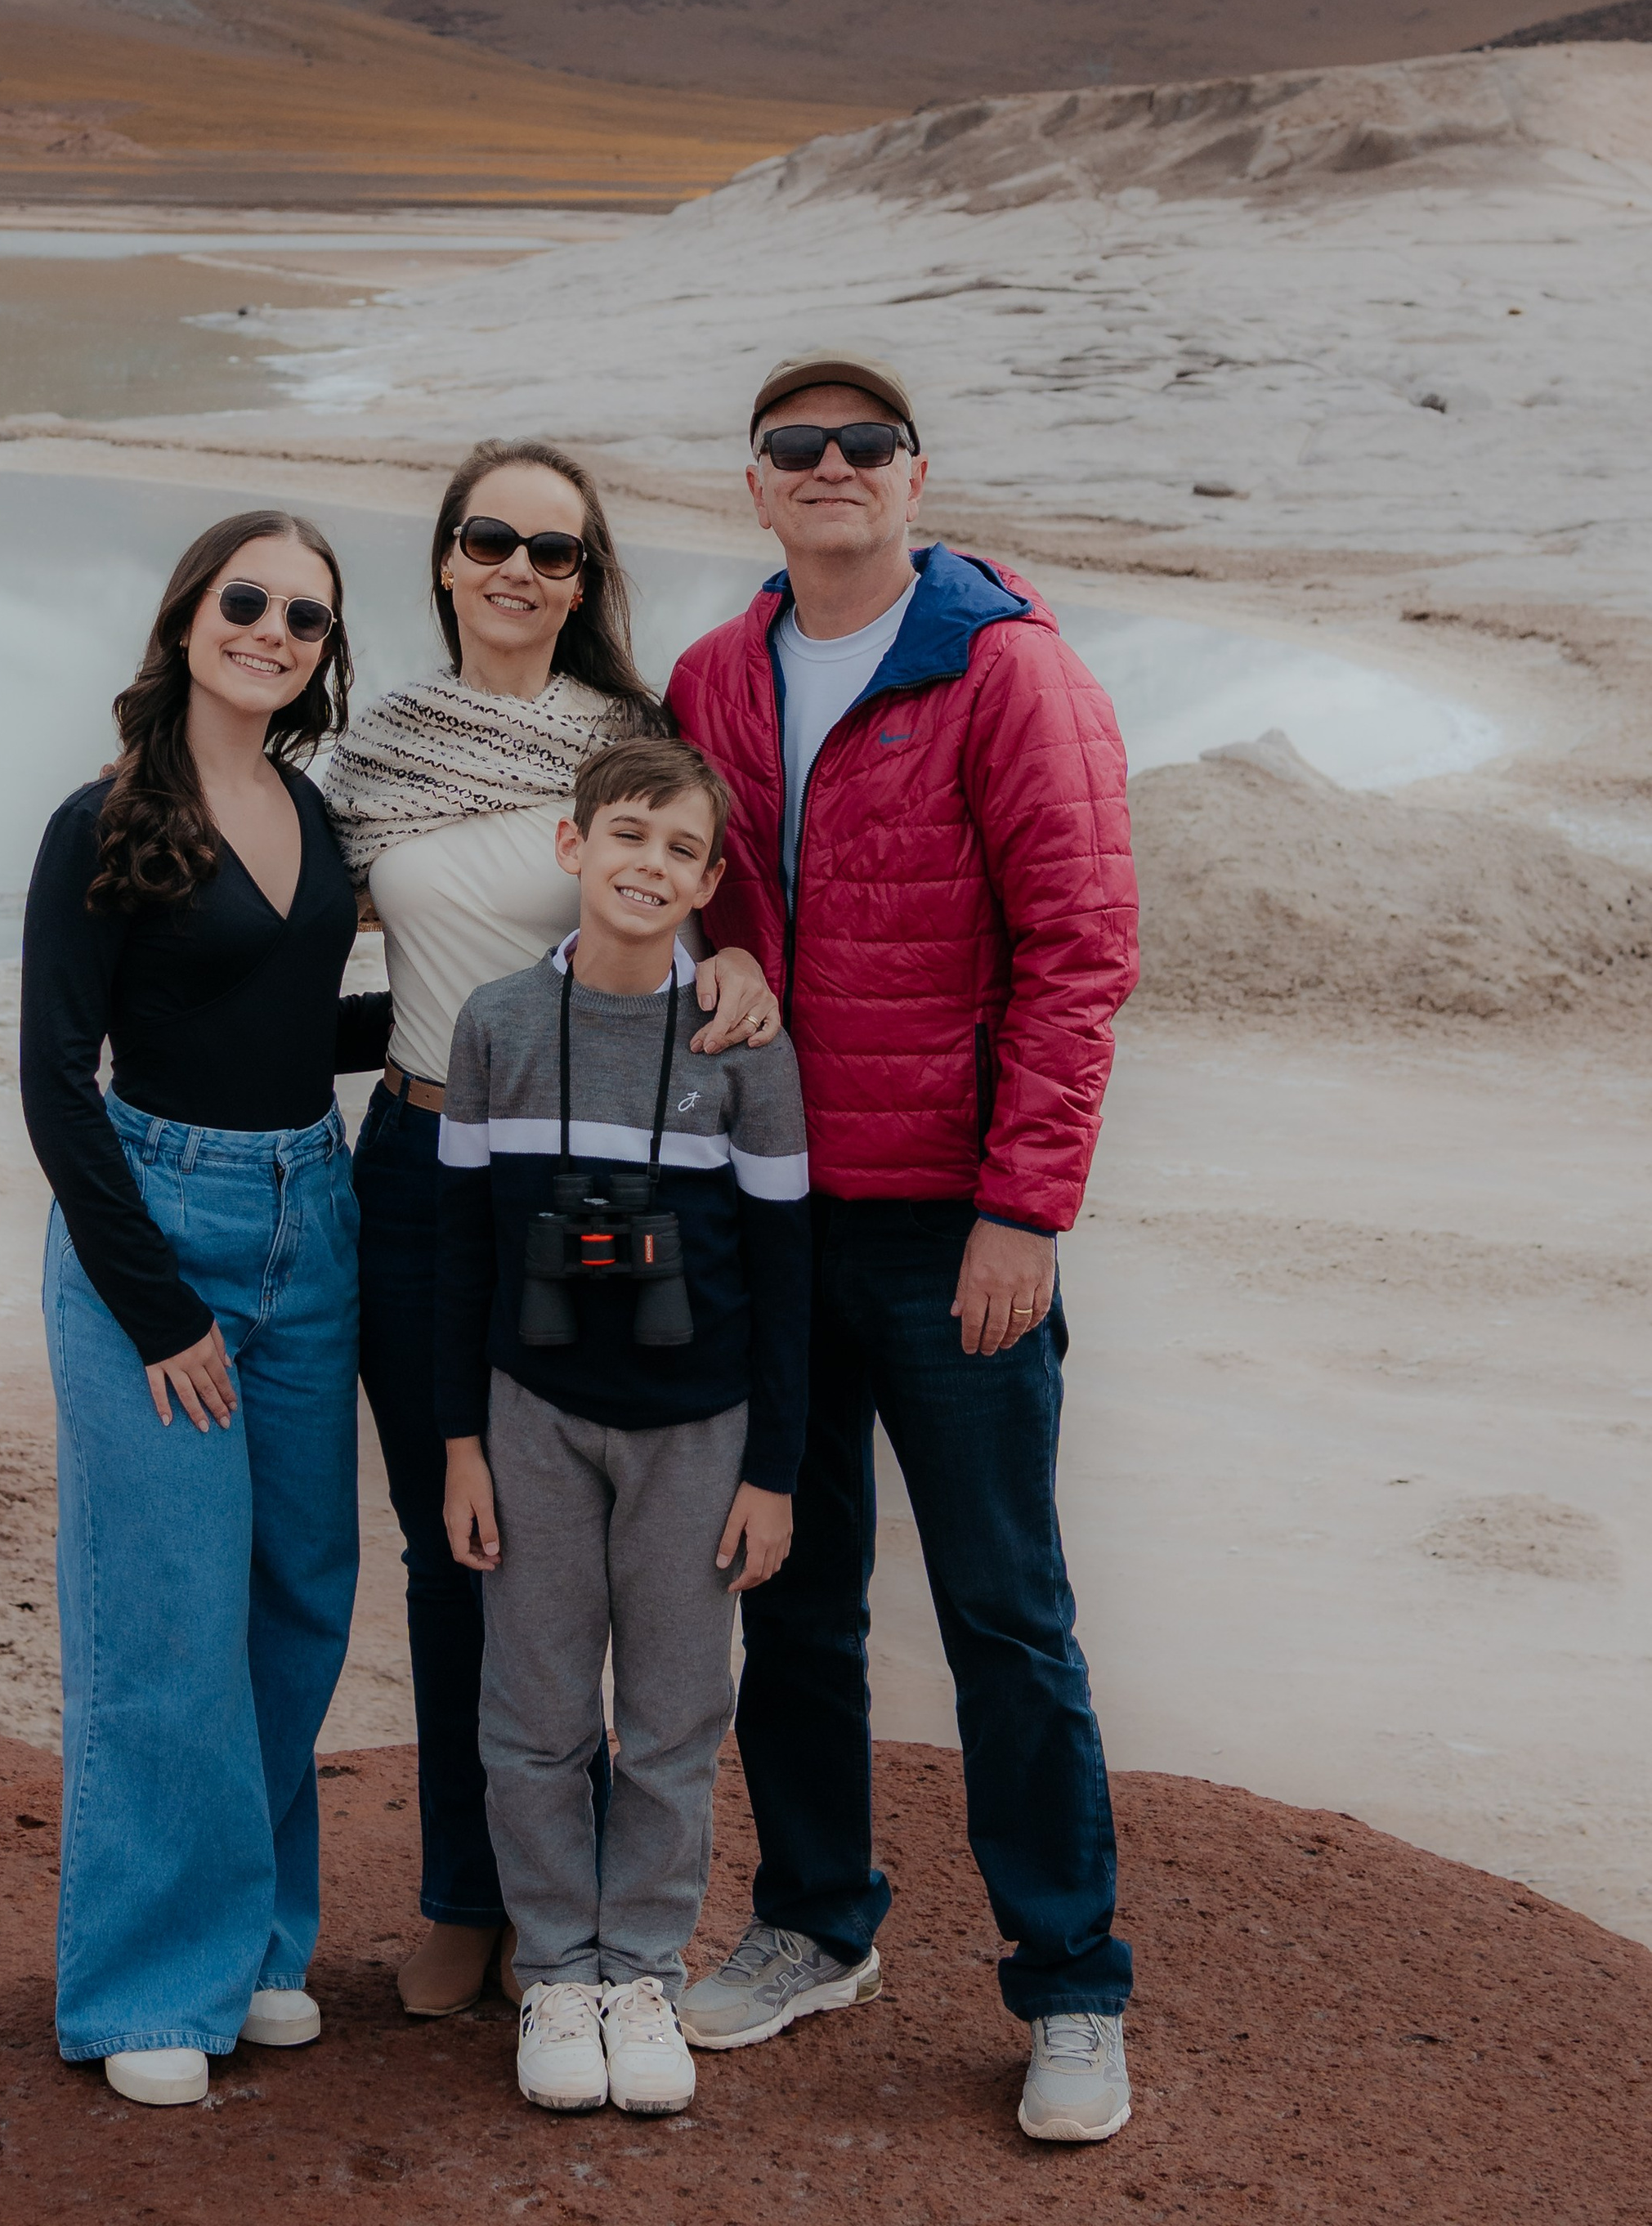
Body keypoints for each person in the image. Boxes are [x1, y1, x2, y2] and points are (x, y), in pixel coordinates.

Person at [665, 352, 1141, 2148]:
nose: (832, 467)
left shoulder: (1003, 670)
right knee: (789, 1592)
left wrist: (1023, 1205)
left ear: (916, 477)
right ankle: (812, 1920)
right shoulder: (715, 673)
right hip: (774, 1220)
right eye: (796, 447)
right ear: (757, 487)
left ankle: (1069, 1982)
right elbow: (686, 895)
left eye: (865, 444)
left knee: (1005, 1611)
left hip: (952, 1232)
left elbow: (1078, 949)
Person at [323, 439, 781, 2019]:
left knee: (639, 1567)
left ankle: (618, 1931)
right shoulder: (374, 757)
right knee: (467, 1545)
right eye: (490, 537)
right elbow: (309, 949)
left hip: (618, 1183)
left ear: (588, 580)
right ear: (446, 556)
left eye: (556, 550)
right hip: (422, 1158)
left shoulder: (633, 745)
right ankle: (479, 1893)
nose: (521, 569)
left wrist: (744, 969)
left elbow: (699, 906)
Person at [20, 508, 391, 2108]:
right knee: (162, 1609)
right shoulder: (98, 821)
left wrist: (531, 1002)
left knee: (299, 1591)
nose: (272, 628)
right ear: (186, 618)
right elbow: (55, 1080)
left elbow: (303, 1020)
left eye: (303, 615)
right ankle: (145, 1986)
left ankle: (255, 1944)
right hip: (154, 1230)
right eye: (246, 599)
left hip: (315, 1215)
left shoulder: (312, 810)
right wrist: (155, 1304)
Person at [436, 736, 812, 2118]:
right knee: (532, 1712)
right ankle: (555, 1972)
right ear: (571, 845)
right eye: (628, 835)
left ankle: (641, 1969)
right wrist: (461, 1441)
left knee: (670, 1714)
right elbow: (463, 1257)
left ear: (712, 881)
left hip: (697, 1429)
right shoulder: (496, 1025)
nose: (650, 865)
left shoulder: (742, 1043)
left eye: (682, 850)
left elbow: (787, 1273)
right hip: (531, 1416)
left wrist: (774, 1466)